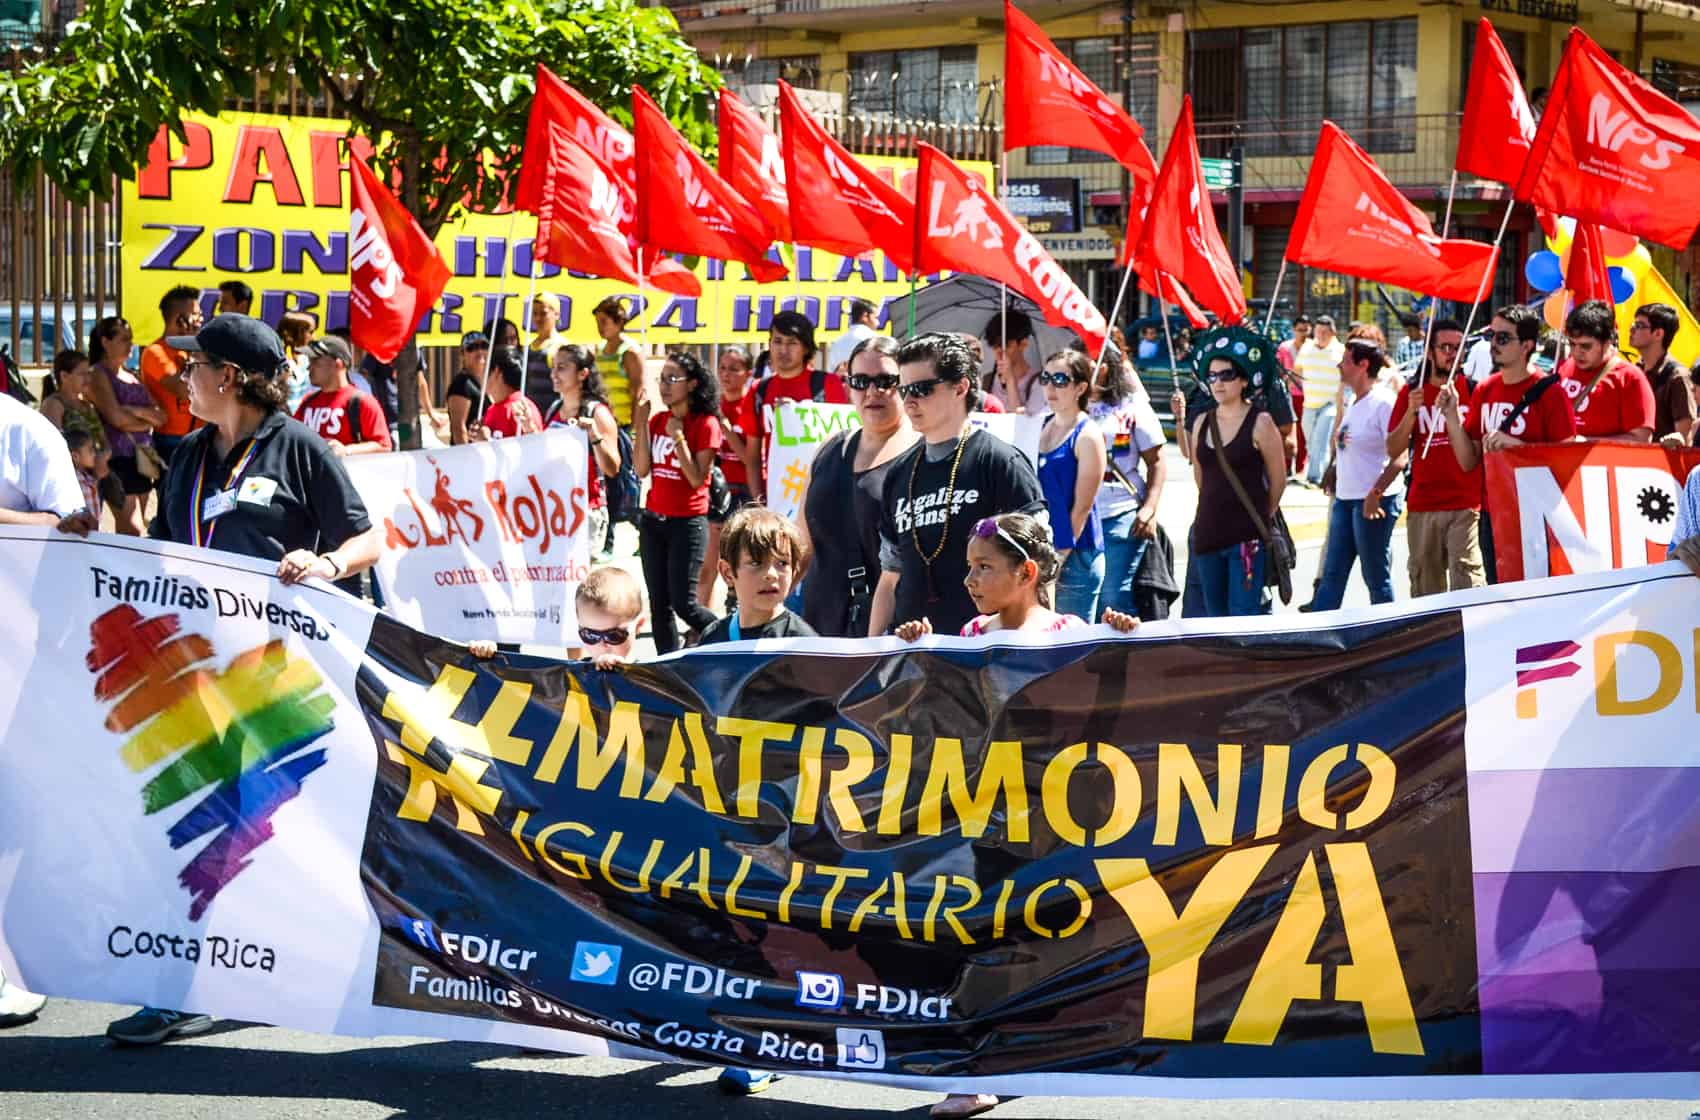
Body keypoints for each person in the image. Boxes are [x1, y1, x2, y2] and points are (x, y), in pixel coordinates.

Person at [108, 313, 380, 1047]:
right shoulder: (191, 454)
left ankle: (196, 984)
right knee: (194, 822)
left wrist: (324, 563)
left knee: (229, 823)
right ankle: (193, 978)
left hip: (276, 672)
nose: (180, 377)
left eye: (193, 366)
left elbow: (368, 536)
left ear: (229, 376)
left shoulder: (300, 450)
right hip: (193, 669)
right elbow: (163, 550)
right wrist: (82, 542)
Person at [872, 332, 1047, 638]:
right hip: (912, 651)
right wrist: (872, 655)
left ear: (960, 387)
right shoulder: (899, 472)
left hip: (986, 650)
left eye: (922, 389)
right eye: (904, 390)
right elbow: (889, 578)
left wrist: (1036, 649)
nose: (909, 401)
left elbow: (1040, 570)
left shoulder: (1000, 462)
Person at [1436, 304, 1578, 583]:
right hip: (1494, 513)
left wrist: (1516, 446)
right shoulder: (1486, 389)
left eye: (1503, 338)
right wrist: (1451, 417)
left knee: (1537, 599)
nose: (1493, 345)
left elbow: (1568, 463)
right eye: (1491, 336)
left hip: (1538, 517)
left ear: (1527, 345)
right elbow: (1468, 461)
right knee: (1499, 596)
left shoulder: (1551, 394)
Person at [797, 336, 920, 638]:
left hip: (891, 629)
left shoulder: (923, 455)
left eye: (885, 380)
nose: (872, 392)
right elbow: (800, 545)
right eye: (860, 381)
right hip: (820, 621)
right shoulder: (829, 450)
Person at [896, 512, 1142, 643]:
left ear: (1026, 573)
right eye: (970, 566)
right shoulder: (972, 634)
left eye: (984, 566)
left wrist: (1119, 638)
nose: (969, 580)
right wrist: (922, 650)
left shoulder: (1068, 633)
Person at [1385, 319, 1484, 597]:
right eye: (1445, 348)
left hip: (1466, 505)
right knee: (1426, 591)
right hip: (1423, 504)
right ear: (1429, 352)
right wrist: (1410, 414)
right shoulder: (1411, 392)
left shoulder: (1475, 391)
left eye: (1458, 348)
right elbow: (1394, 449)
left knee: (1468, 586)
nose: (1452, 354)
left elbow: (1476, 455)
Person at [1187, 344, 1287, 617]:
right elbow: (1200, 475)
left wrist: (1263, 513)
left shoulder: (1261, 422)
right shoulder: (1201, 423)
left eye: (1227, 375)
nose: (1218, 382)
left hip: (1246, 538)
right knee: (1214, 617)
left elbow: (1279, 478)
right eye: (1212, 376)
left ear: (1243, 380)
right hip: (1208, 532)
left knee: (1243, 616)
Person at [633, 352, 722, 654]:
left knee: (685, 605)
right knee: (659, 604)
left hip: (687, 523)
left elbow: (697, 478)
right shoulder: (658, 420)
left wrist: (679, 439)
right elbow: (642, 469)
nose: (665, 386)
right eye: (662, 379)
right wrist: (641, 424)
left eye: (673, 379)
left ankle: (728, 639)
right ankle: (666, 666)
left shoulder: (706, 424)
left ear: (693, 384)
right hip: (654, 520)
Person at [1310, 339, 1406, 612]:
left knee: (1375, 576)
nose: (1340, 365)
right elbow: (1348, 445)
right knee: (1332, 574)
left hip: (1374, 503)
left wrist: (1375, 494)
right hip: (1345, 498)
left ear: (1363, 366)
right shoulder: (1354, 400)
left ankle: (1386, 635)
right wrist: (1333, 470)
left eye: (1346, 360)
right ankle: (1319, 637)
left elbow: (1400, 457)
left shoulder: (1384, 403)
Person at [1088, 344, 1166, 619]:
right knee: (1083, 595)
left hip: (1119, 513)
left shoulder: (1133, 407)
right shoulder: (1067, 405)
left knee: (1112, 598)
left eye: (1092, 357)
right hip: (1078, 517)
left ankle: (1119, 658)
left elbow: (1156, 461)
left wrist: (1149, 508)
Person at [1035, 350, 1107, 622]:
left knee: (1072, 651)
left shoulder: (1087, 435)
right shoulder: (1041, 424)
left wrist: (1058, 558)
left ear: (1080, 387)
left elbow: (1082, 508)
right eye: (1046, 378)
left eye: (1061, 379)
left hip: (1075, 554)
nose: (1051, 387)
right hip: (1044, 549)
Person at [85, 315, 166, 536]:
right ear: (105, 342)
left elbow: (160, 417)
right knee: (133, 529)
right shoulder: (98, 375)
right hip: (117, 458)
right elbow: (116, 418)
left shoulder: (132, 375)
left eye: (131, 339)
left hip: (142, 456)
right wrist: (143, 421)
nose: (130, 344)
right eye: (124, 339)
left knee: (138, 526)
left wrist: (134, 412)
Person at [541, 343, 621, 560]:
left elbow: (613, 468)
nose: (554, 374)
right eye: (554, 367)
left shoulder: (598, 413)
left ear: (582, 374)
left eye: (562, 368)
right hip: (554, 508)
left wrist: (594, 436)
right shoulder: (554, 409)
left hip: (585, 511)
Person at [698, 346, 763, 609]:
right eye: (722, 368)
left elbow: (750, 457)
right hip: (717, 491)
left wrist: (725, 426)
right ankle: (700, 622)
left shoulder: (749, 405)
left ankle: (737, 607)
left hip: (745, 490)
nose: (726, 374)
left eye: (734, 369)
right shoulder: (712, 405)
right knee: (708, 563)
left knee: (740, 558)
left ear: (748, 373)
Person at [697, 506, 817, 645]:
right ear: (728, 573)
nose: (771, 575)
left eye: (782, 563)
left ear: (794, 569)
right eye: (756, 563)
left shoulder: (804, 644)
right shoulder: (713, 639)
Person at [1556, 299, 1653, 442]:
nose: (1577, 352)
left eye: (1586, 346)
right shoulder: (1564, 368)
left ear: (1607, 342)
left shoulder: (1630, 378)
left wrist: (1586, 443)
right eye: (1572, 344)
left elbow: (1641, 439)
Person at [292, 335, 393, 457]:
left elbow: (384, 445)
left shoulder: (362, 402)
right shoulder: (307, 402)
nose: (309, 367)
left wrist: (346, 450)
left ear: (338, 364)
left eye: (315, 361)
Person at [139, 285, 204, 469]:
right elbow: (185, 390)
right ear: (178, 319)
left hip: (201, 434)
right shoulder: (156, 352)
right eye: (196, 315)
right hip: (173, 440)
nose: (200, 320)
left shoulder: (194, 350)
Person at [1628, 302, 1696, 448]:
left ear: (1658, 334)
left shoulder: (1677, 377)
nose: (1631, 329)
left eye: (1639, 325)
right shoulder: (1633, 372)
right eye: (1633, 324)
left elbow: (1684, 436)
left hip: (1662, 466)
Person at [1296, 314, 1344, 486]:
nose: (1321, 335)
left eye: (1325, 332)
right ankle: (1318, 469)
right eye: (1318, 331)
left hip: (1330, 403)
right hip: (1309, 402)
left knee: (1320, 439)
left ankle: (1315, 477)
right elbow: (1298, 369)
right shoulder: (1307, 348)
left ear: (1333, 333)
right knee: (1310, 439)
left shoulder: (1340, 350)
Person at [590, 296, 647, 432]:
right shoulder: (599, 349)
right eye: (597, 322)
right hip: (603, 421)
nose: (600, 327)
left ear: (619, 322)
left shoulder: (630, 352)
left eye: (604, 321)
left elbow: (638, 393)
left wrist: (634, 430)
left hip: (624, 425)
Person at [985, 309, 1044, 416]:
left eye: (1005, 346)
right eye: (994, 346)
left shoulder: (1038, 382)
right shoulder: (988, 380)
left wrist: (1010, 381)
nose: (999, 352)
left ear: (1023, 344)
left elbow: (1023, 424)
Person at [475, 348, 543, 439]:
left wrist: (487, 442)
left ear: (496, 371)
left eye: (484, 369)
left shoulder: (522, 408)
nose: (479, 375)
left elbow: (535, 448)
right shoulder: (493, 409)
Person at [444, 331, 490, 445]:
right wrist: (465, 457)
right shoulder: (461, 384)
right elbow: (459, 429)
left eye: (484, 346)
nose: (479, 351)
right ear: (462, 354)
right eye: (472, 348)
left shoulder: (486, 381)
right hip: (468, 454)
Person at [525, 294, 567, 413]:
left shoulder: (561, 346)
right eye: (535, 313)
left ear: (556, 314)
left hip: (551, 414)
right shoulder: (528, 347)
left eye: (543, 313)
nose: (538, 318)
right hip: (530, 415)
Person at [276, 310, 317, 414]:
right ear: (296, 332)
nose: (314, 337)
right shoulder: (278, 360)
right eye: (310, 332)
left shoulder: (312, 360)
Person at [825, 298, 879, 373]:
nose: (878, 323)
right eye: (876, 318)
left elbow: (830, 372)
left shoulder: (837, 342)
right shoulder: (875, 340)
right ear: (865, 316)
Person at [64, 427, 102, 517]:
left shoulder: (87, 477)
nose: (94, 454)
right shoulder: (72, 481)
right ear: (75, 456)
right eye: (90, 450)